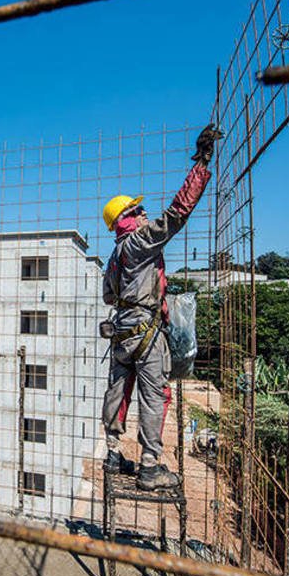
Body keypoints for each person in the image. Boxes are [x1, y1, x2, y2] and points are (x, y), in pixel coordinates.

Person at [100, 124, 221, 490]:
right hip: (145, 331)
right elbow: (177, 213)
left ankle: (113, 453)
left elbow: (109, 296)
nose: (143, 213)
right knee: (155, 395)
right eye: (138, 210)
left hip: (121, 332)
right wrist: (201, 166)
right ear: (126, 219)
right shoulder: (139, 242)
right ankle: (150, 466)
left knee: (118, 391)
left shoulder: (115, 255)